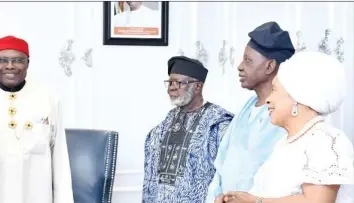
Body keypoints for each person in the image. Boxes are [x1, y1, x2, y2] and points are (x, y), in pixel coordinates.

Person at [0, 35, 74, 203]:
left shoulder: (49, 99)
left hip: (36, 195)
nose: (10, 66)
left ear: (28, 63)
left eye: (18, 60)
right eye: (3, 60)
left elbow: (59, 158)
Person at [222, 52, 354, 203]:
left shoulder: (325, 140)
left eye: (275, 90)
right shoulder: (284, 144)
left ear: (297, 97)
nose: (268, 100)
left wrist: (255, 201)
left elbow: (317, 201)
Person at [205, 21, 295, 203]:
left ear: (269, 66)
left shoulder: (291, 112)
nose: (239, 66)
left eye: (247, 60)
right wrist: (216, 198)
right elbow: (221, 164)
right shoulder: (246, 108)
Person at [142, 56, 234, 203]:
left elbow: (230, 172)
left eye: (178, 82)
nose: (171, 87)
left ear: (197, 86)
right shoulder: (166, 122)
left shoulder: (218, 123)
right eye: (170, 82)